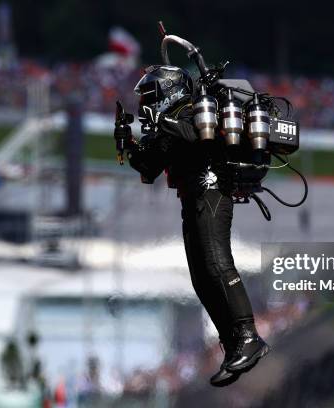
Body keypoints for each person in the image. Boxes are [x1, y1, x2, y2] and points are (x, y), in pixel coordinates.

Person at [114, 65, 269, 387]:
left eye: (150, 95)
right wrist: (128, 143)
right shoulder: (164, 124)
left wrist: (160, 121)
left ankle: (249, 336)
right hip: (191, 197)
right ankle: (233, 344)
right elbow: (148, 168)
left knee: (217, 263)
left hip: (212, 190)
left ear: (168, 91)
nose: (145, 102)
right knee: (200, 277)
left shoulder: (192, 109)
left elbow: (194, 134)